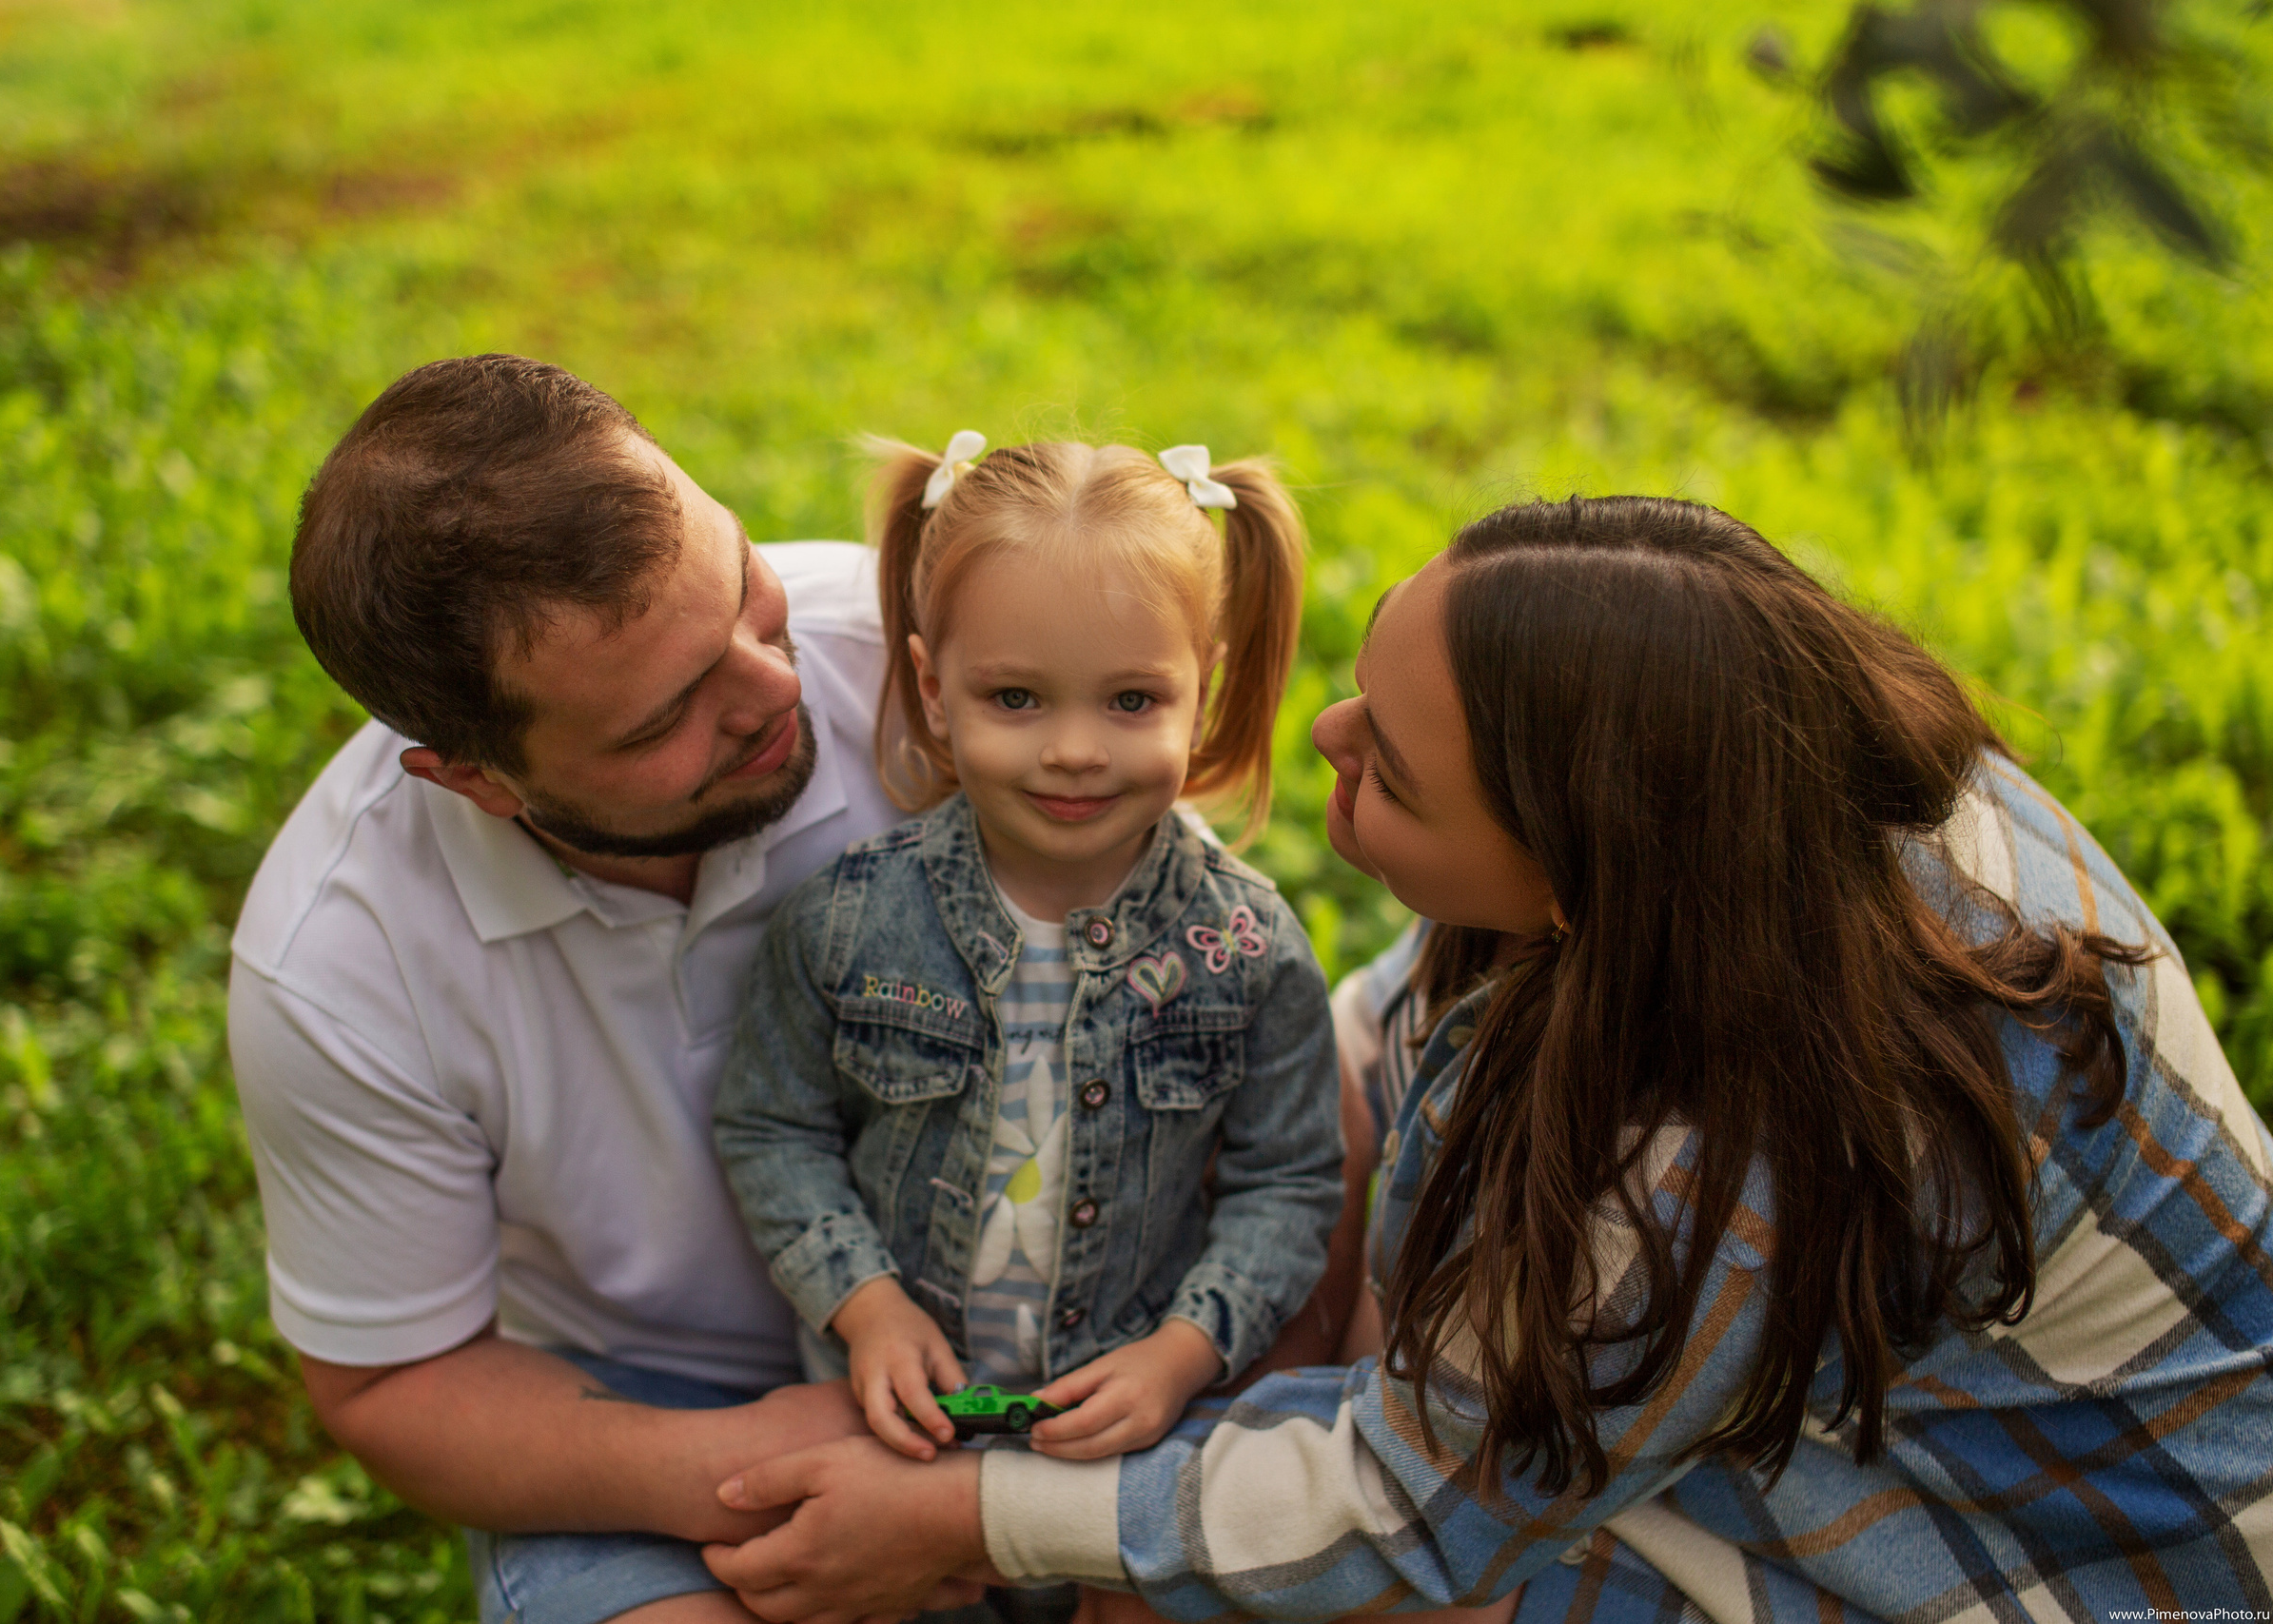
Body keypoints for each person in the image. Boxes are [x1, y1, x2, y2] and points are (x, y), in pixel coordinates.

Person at [698, 496, 2273, 1622]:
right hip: (1844, 1397)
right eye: (1364, 687)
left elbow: (1413, 1504)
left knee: (1236, 1595)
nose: (1318, 732)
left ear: (1577, 877)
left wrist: (984, 1513)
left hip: (2038, 1538)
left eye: (1386, 764)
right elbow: (1384, 1044)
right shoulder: (1765, 775)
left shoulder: (1737, 1137)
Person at [226, 354, 909, 1624]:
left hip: (1050, 1319)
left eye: (748, 592)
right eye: (664, 719)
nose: (776, 687)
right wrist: (745, 1467)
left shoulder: (934, 658)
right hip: (652, 1406)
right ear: (475, 779)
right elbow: (394, 1381)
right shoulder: (339, 961)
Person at [711, 432, 1342, 1486]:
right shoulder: (850, 920)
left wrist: (1183, 1356)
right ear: (931, 684)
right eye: (1016, 698)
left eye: (1132, 700)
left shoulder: (1244, 948)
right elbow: (771, 1126)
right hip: (892, 1427)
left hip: (1125, 1444)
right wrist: (864, 1307)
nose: (1076, 750)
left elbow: (1287, 1182)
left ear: (1205, 691)